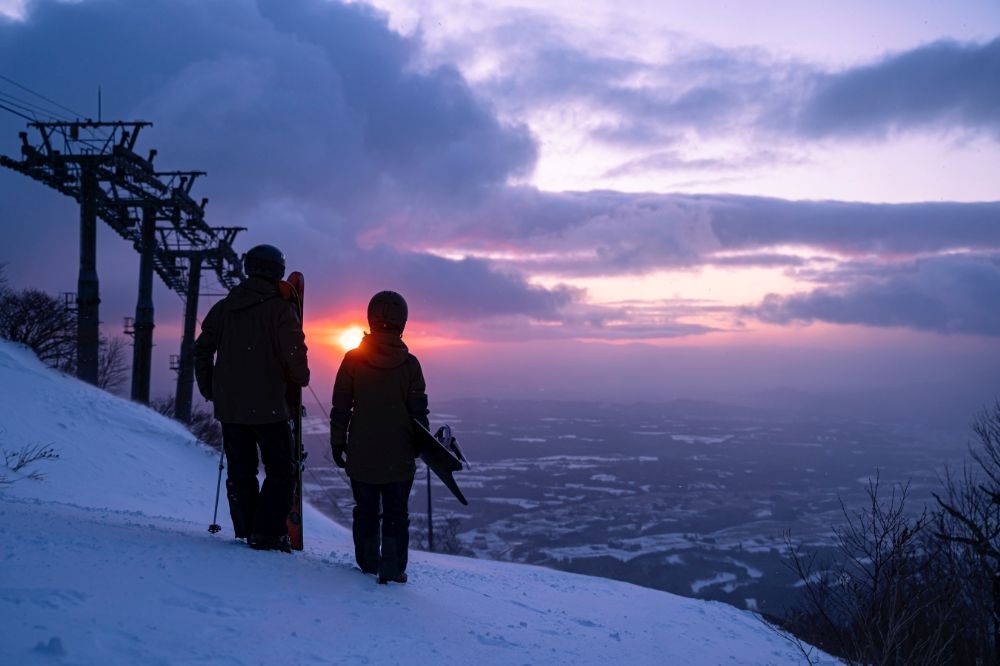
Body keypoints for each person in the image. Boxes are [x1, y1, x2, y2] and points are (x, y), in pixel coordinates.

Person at [193, 244, 309, 553]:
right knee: (282, 472)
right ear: (277, 272)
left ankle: (246, 528)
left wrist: (210, 389)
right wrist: (301, 378)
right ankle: (268, 533)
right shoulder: (281, 310)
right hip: (270, 407)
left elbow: (201, 349)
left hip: (230, 408)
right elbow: (294, 352)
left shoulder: (225, 308)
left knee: (241, 470)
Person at [330, 290, 429, 584]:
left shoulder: (352, 360)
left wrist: (338, 443)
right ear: (403, 322)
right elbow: (419, 415)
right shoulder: (411, 365)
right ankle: (394, 567)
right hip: (399, 455)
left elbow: (340, 407)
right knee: (397, 513)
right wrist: (417, 448)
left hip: (361, 452)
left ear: (371, 319)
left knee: (366, 511)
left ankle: (367, 563)